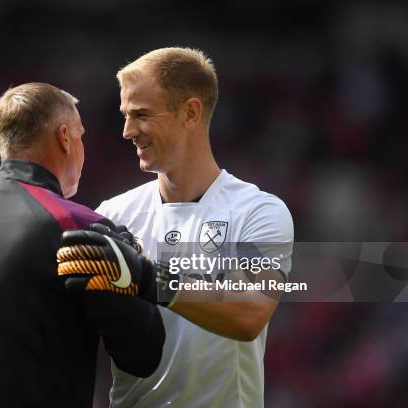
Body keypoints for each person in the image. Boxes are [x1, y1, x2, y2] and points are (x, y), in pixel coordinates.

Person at [57, 48, 294, 407]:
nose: (126, 131)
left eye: (141, 114)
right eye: (125, 115)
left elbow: (248, 311)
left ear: (190, 113)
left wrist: (148, 277)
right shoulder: (112, 215)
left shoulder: (258, 212)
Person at [0, 82, 165, 407]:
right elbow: (143, 355)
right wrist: (135, 270)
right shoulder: (77, 226)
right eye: (81, 135)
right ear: (64, 138)